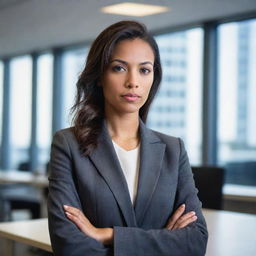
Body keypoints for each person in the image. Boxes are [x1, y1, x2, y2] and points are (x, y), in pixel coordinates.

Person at [47, 20, 208, 256]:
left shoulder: (173, 149)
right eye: (119, 68)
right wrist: (163, 241)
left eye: (144, 70)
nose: (133, 82)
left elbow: (195, 241)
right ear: (100, 76)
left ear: (154, 78)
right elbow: (69, 245)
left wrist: (109, 235)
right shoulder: (68, 145)